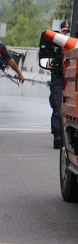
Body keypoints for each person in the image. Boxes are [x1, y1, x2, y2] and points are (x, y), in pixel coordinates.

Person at [49, 19, 70, 149]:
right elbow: (46, 59)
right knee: (57, 107)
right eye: (64, 31)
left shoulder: (74, 46)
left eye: (68, 31)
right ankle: (57, 135)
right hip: (57, 79)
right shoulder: (54, 46)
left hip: (71, 79)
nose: (66, 33)